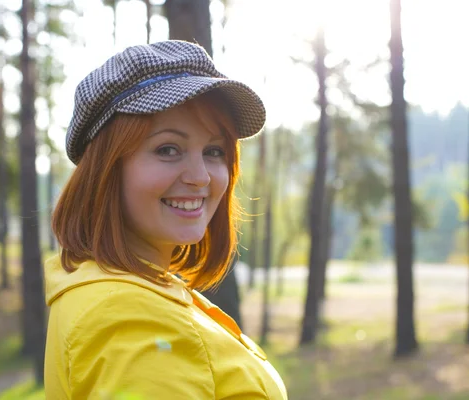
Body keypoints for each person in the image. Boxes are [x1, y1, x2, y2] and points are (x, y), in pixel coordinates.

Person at [44, 40, 288, 399]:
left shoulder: (120, 287)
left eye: (214, 151)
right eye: (168, 149)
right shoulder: (127, 317)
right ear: (106, 169)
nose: (201, 176)